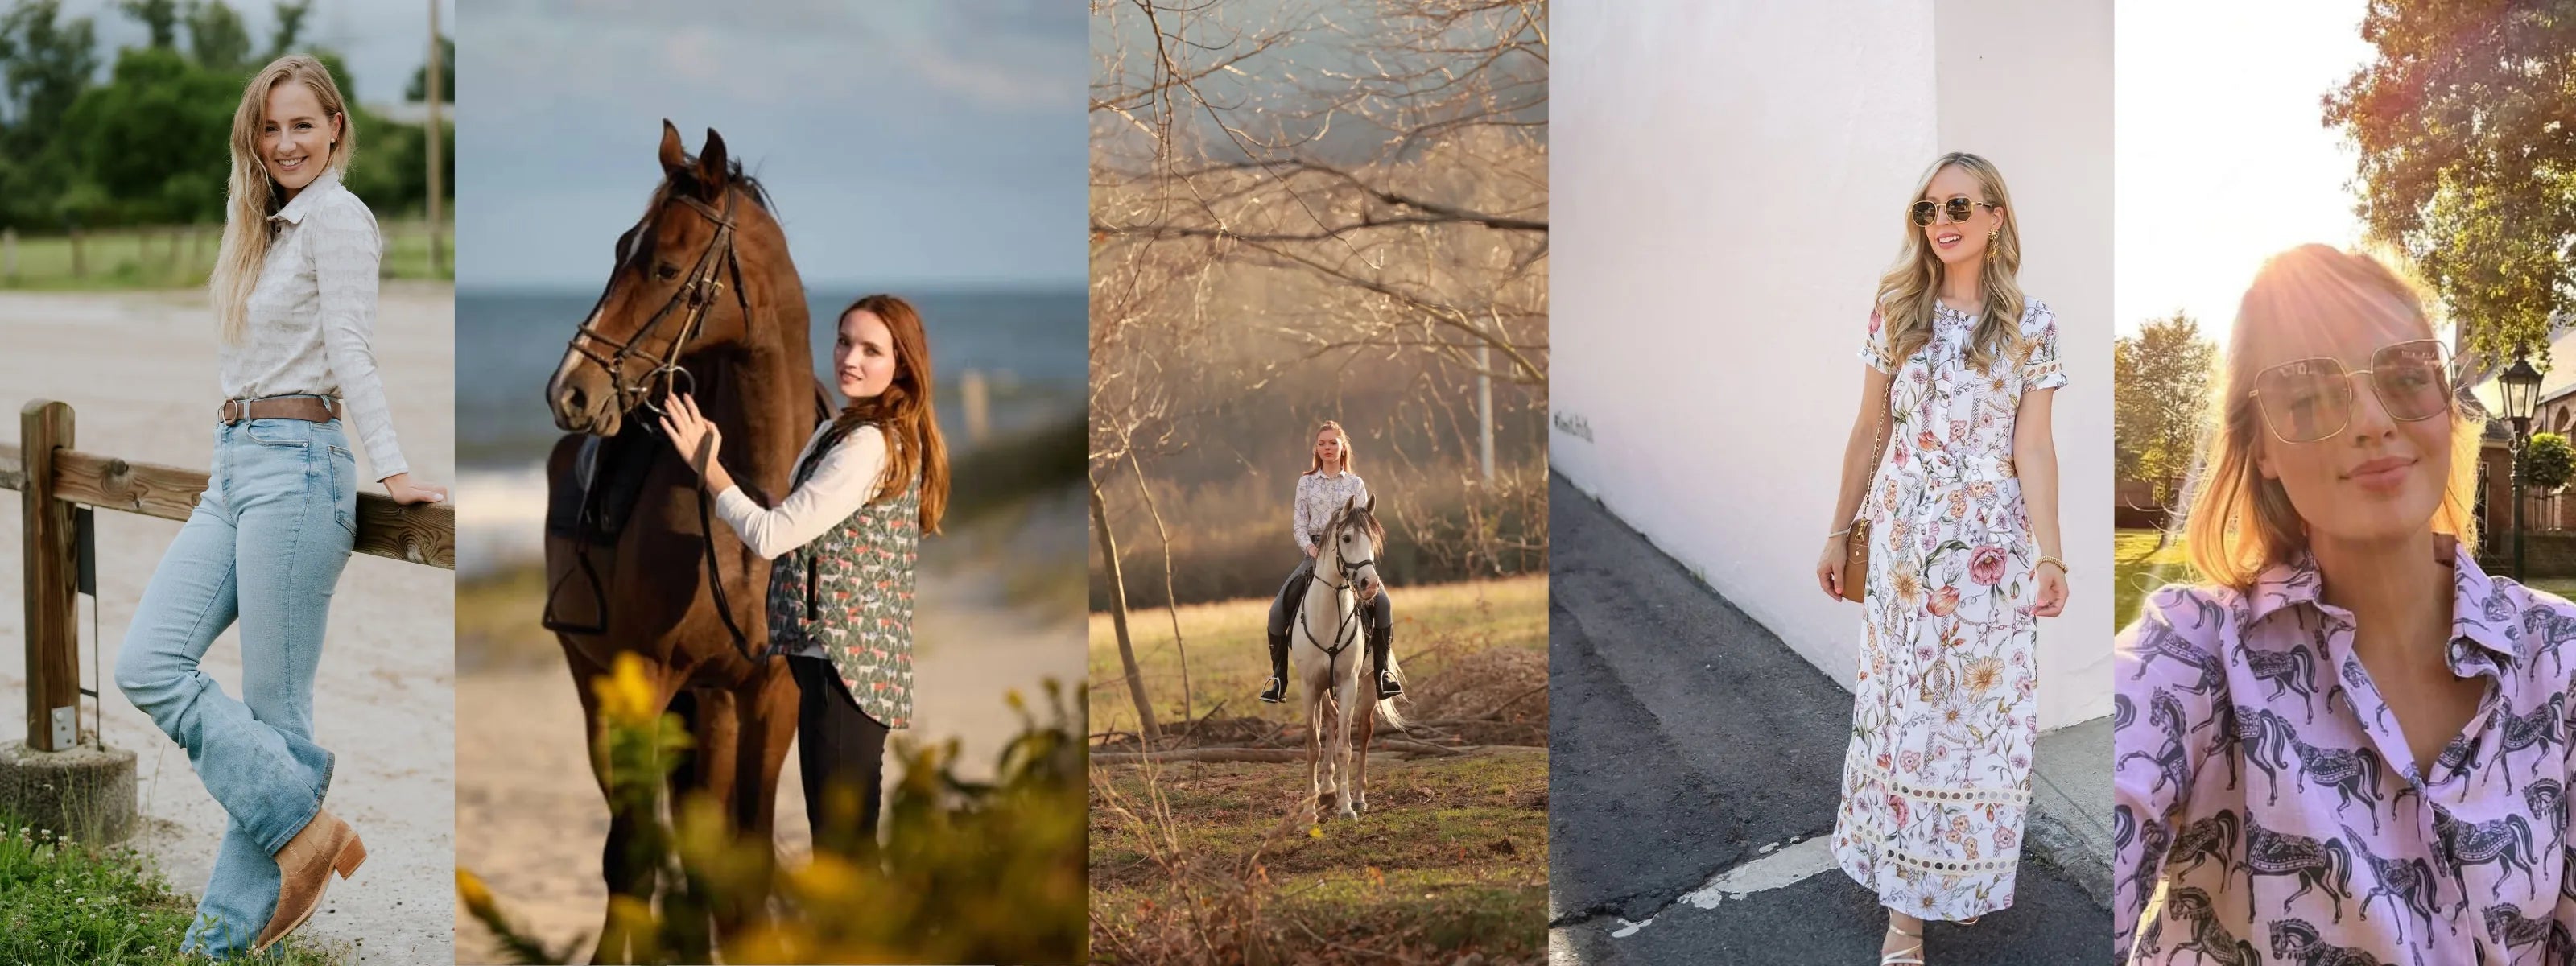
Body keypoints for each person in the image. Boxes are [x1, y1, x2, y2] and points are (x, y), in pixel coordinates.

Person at [2111, 245, 2545, 964]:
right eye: (2309, 396)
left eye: (2407, 376)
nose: (2373, 422)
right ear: (2261, 448)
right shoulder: (2193, 655)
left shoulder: (2559, 661)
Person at [114, 53, 448, 957]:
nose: (286, 142)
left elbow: (351, 350)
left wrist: (396, 467)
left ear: (337, 127)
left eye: (303, 124)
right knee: (146, 662)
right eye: (270, 127)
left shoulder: (340, 219)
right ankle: (304, 831)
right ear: (251, 139)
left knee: (277, 722)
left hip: (302, 471)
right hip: (234, 468)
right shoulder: (263, 223)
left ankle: (217, 942)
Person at [1811, 152, 2067, 964]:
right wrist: (1836, 527)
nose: (1939, 221)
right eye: (1926, 209)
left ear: (1995, 215)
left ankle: (1953, 874)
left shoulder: (2034, 324)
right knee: (1908, 722)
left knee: (1975, 725)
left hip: (1990, 551)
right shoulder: (1894, 309)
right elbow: (1868, 429)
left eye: (1956, 204)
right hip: (1903, 549)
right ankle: (1904, 919)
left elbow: (2034, 447)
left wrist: (2051, 555)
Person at [660, 293, 950, 856]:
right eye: (845, 341)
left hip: (844, 668)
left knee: (843, 851)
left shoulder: (868, 443)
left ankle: (872, 945)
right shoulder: (842, 430)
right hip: (827, 664)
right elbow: (797, 512)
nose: (850, 358)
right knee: (844, 845)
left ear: (903, 365)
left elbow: (772, 536)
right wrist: (731, 474)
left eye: (871, 350)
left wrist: (709, 469)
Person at [1258, 420, 1402, 704]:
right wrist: (1312, 549)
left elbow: (1363, 526)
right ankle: (1278, 679)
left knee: (1383, 604)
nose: (1327, 448)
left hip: (1350, 558)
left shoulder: (1355, 484)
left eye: (1332, 442)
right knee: (1277, 612)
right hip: (1316, 556)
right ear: (1316, 448)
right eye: (1322, 443)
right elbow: (1299, 525)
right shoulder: (1306, 483)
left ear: (1342, 446)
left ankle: (1383, 673)